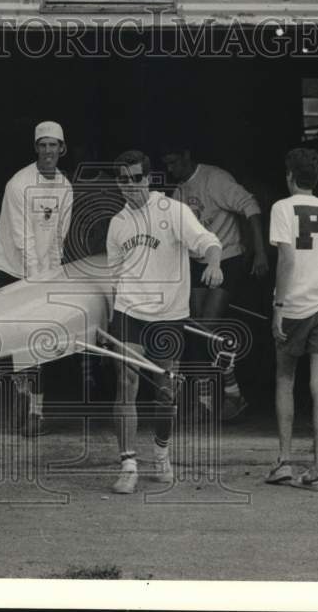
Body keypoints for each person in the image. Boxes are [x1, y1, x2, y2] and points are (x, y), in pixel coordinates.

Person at [106, 150, 222, 494]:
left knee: (165, 392)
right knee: (125, 383)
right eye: (124, 181)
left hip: (169, 316)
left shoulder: (173, 211)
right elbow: (113, 278)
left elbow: (208, 241)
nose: (131, 187)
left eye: (137, 179)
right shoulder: (117, 224)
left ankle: (160, 453)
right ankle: (128, 464)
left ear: (149, 178)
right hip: (129, 312)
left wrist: (214, 264)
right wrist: (108, 319)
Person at [161, 145, 269, 421]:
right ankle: (226, 395)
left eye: (174, 162)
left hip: (227, 259)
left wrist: (259, 252)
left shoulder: (214, 180)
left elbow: (251, 207)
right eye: (167, 164)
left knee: (206, 328)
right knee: (199, 330)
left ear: (187, 155)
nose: (170, 169)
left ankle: (215, 399)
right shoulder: (178, 193)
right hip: (198, 263)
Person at [264, 148, 318, 492]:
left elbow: (287, 261)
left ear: (290, 176)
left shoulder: (282, 208)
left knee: (285, 378)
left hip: (294, 305)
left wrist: (279, 305)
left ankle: (283, 461)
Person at [0, 121, 73, 436]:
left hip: (43, 270)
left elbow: (58, 239)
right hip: (8, 268)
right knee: (14, 339)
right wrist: (35, 284)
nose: (48, 151)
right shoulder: (18, 184)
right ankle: (19, 400)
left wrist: (50, 280)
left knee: (41, 339)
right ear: (36, 148)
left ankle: (37, 409)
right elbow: (23, 239)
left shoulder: (65, 187)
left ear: (62, 149)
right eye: (43, 145)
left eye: (54, 145)